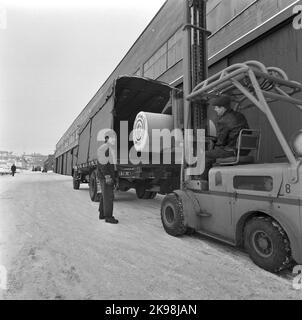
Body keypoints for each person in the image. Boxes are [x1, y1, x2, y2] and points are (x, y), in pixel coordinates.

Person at [202, 95, 249, 180]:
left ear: (223, 108)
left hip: (232, 150)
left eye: (216, 108)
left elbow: (221, 142)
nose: (215, 110)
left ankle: (205, 182)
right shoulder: (240, 116)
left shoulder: (223, 120)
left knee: (205, 155)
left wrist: (213, 144)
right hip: (244, 150)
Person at [97, 136, 118, 224]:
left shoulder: (108, 149)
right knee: (109, 196)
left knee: (105, 195)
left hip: (105, 176)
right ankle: (108, 217)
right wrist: (107, 176)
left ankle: (102, 213)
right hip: (105, 176)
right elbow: (103, 164)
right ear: (106, 139)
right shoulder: (105, 149)